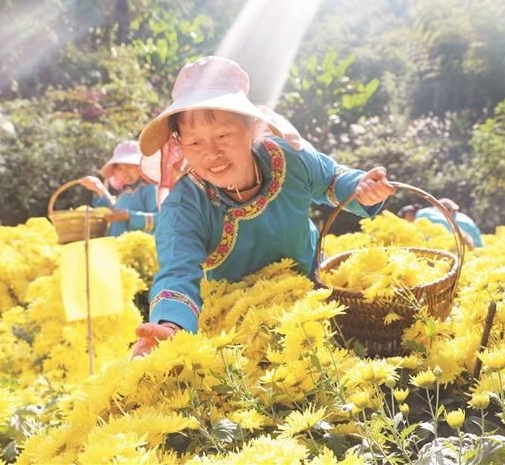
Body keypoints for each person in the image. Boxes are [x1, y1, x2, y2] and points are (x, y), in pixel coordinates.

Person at [131, 56, 395, 355]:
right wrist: (170, 327)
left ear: (252, 127)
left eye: (223, 135)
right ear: (180, 146)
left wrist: (361, 189)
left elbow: (332, 178)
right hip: (241, 331)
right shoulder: (184, 206)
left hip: (316, 305)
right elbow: (177, 272)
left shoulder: (290, 158)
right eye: (195, 144)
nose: (212, 153)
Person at [79, 140, 160, 237]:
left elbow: (161, 219)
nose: (124, 173)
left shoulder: (150, 189)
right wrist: (98, 187)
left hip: (139, 247)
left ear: (142, 166)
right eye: (119, 169)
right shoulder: (125, 191)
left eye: (129, 166)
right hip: (117, 246)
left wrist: (130, 216)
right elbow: (113, 211)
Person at [415, 197, 483, 249]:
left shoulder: (463, 219)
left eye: (455, 210)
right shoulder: (428, 213)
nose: (453, 212)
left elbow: (474, 242)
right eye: (450, 210)